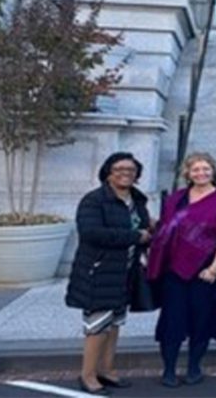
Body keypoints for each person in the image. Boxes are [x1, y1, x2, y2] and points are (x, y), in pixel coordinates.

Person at [147, 152, 216, 387]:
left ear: (213, 171)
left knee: (202, 319)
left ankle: (194, 366)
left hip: (207, 270)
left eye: (206, 169)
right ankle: (168, 369)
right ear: (187, 173)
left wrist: (214, 268)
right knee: (172, 320)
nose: (201, 173)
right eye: (196, 169)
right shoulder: (176, 199)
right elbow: (165, 231)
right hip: (174, 269)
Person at [65, 152, 151, 395]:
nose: (126, 174)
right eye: (119, 169)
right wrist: (135, 236)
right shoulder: (94, 200)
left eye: (131, 170)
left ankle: (106, 369)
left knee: (114, 324)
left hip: (126, 272)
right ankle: (88, 375)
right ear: (108, 173)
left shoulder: (137, 200)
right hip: (99, 271)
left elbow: (141, 227)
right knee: (97, 326)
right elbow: (92, 232)